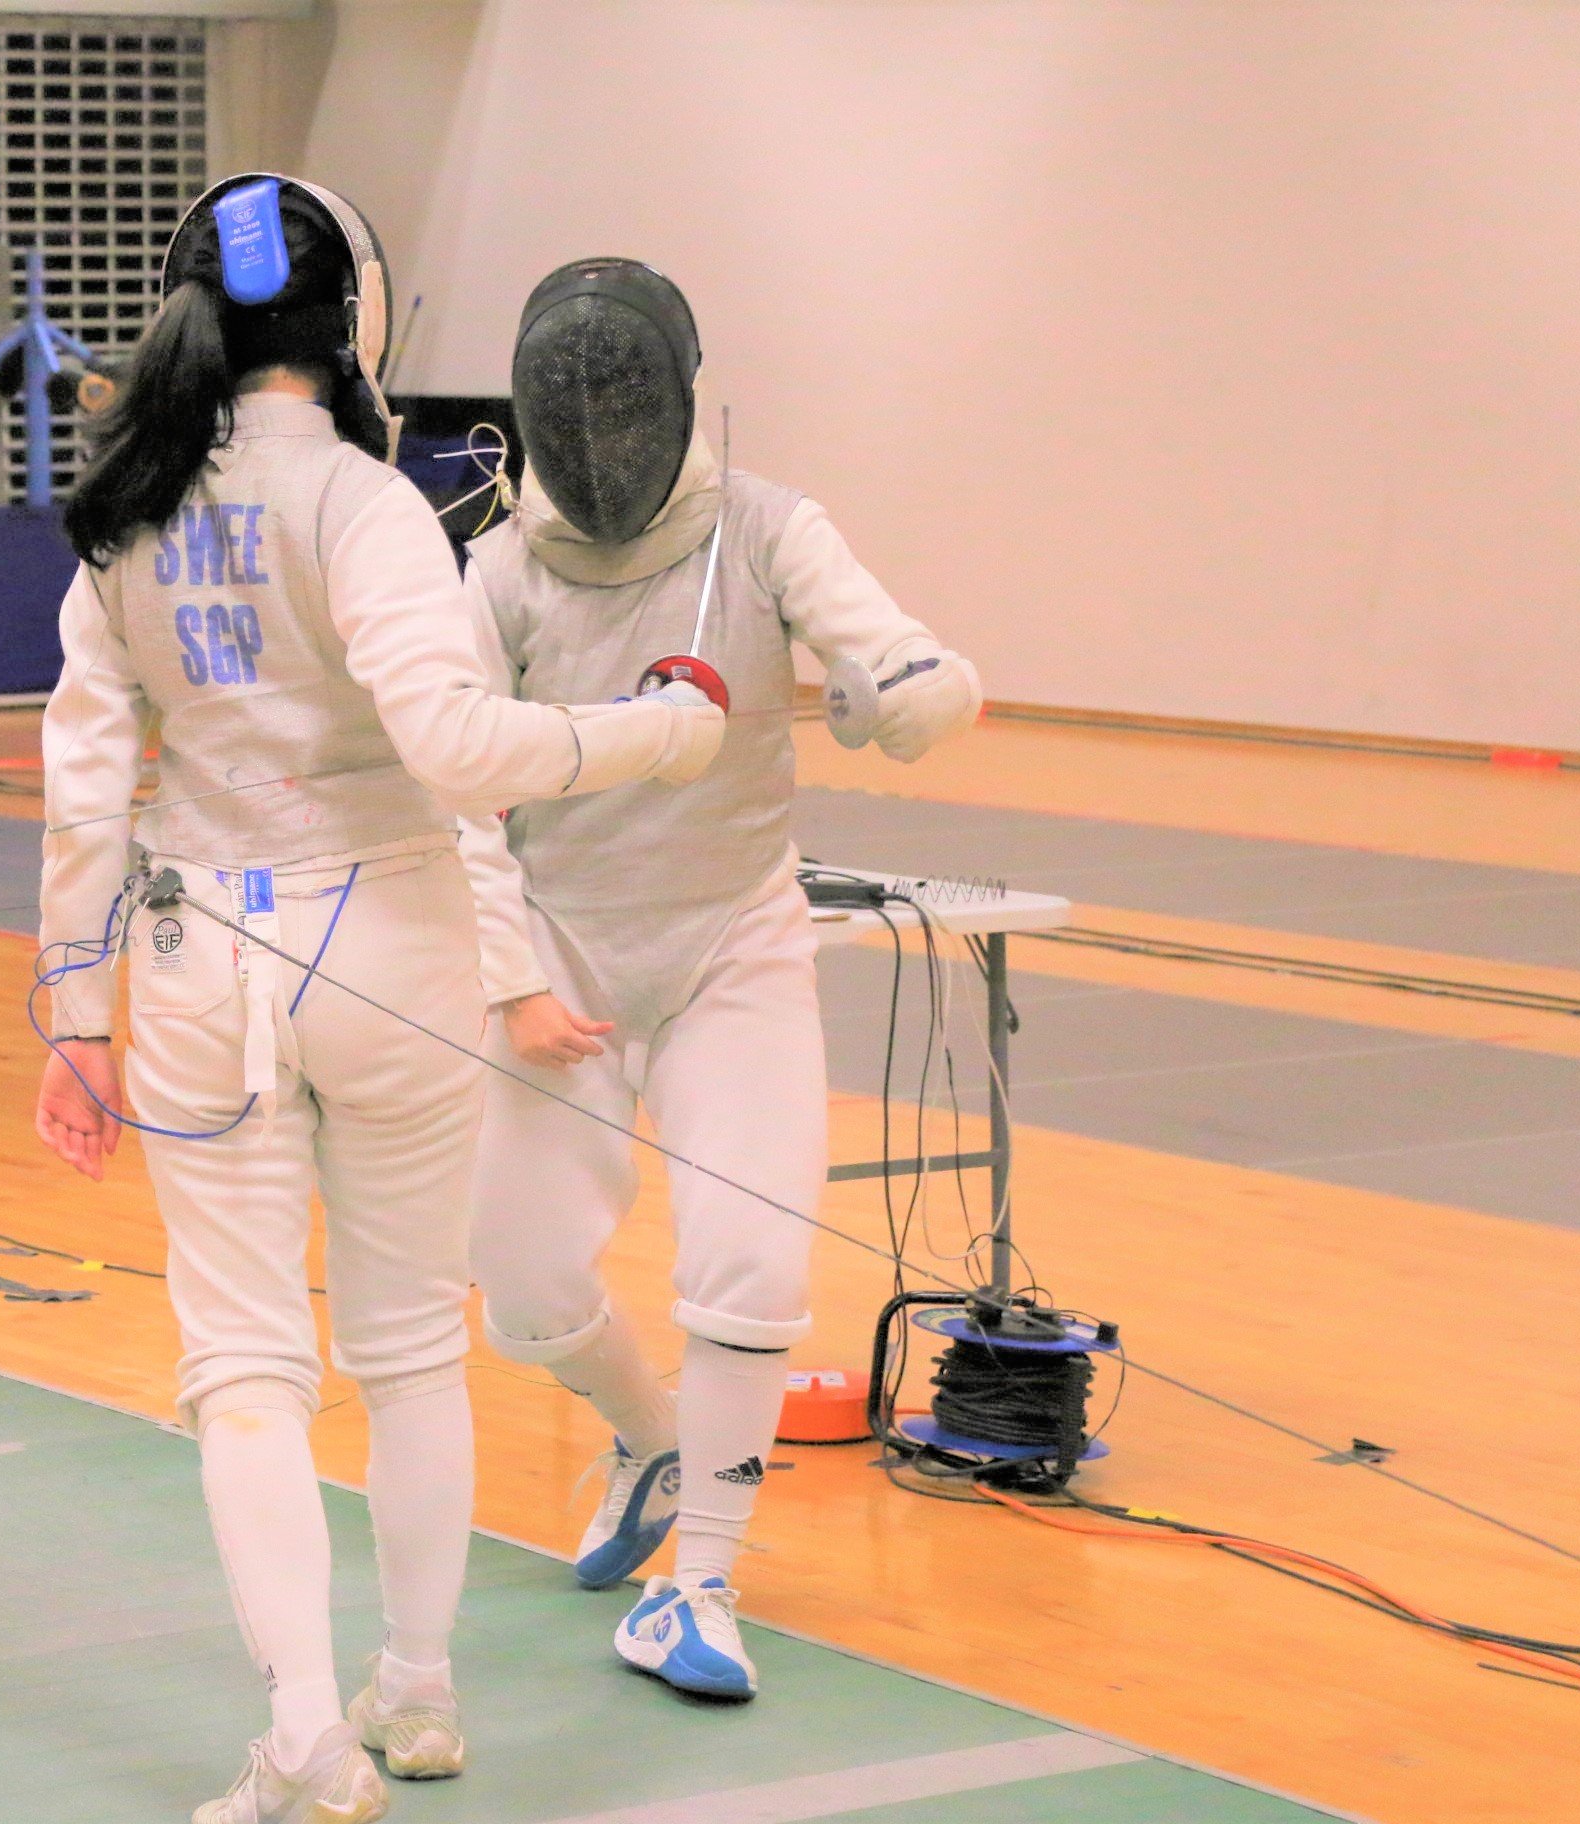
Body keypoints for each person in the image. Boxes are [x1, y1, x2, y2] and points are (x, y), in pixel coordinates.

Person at [35, 185, 725, 1824]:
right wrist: (656, 726)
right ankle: (412, 1690)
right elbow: (465, 752)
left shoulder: (126, 509)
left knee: (248, 1366)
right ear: (352, 328)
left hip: (199, 958)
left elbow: (81, 780)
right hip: (393, 951)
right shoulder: (363, 503)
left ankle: (304, 1731)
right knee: (408, 1347)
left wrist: (72, 1008)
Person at [461, 258, 981, 1702]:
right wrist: (507, 980)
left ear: (682, 396)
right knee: (521, 1283)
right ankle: (646, 1439)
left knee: (752, 1266)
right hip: (558, 944)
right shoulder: (501, 567)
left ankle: (700, 1583)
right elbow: (448, 789)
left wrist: (905, 697)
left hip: (733, 939)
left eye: (625, 400)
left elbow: (912, 661)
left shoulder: (765, 529)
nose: (603, 433)